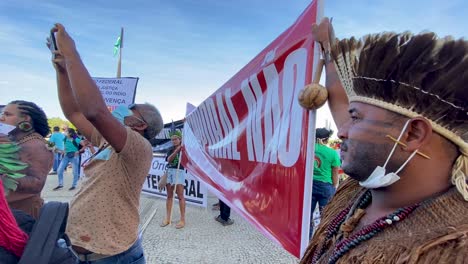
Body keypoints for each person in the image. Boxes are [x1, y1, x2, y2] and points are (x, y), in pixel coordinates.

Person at [300, 18, 468, 263]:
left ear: (412, 134)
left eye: (355, 118)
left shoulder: (452, 249)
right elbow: (343, 105)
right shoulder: (364, 186)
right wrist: (327, 48)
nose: (342, 131)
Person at [49, 23, 163, 263]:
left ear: (140, 125)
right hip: (81, 253)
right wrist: (61, 70)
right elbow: (74, 112)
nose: (120, 110)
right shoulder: (107, 142)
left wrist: (72, 55)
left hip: (113, 257)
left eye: (128, 109)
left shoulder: (139, 147)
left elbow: (94, 111)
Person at [1, 100, 53, 219]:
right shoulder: (18, 142)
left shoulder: (36, 145)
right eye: (2, 114)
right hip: (10, 212)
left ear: (25, 118)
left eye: (8, 115)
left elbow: (36, 183)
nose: (2, 118)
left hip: (21, 216)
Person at [310, 128, 341, 237]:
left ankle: (307, 241)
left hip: (309, 185)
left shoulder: (308, 149)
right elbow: (335, 171)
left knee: (307, 217)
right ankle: (322, 243)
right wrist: (334, 186)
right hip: (325, 186)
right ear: (326, 139)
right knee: (326, 217)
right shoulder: (332, 153)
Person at [160, 131, 187, 229]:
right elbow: (169, 160)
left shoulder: (185, 149)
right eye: (172, 139)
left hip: (179, 172)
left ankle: (183, 219)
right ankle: (168, 218)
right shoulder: (170, 149)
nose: (174, 141)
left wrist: (181, 150)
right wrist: (176, 151)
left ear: (180, 139)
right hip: (170, 171)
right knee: (169, 196)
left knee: (180, 196)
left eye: (176, 139)